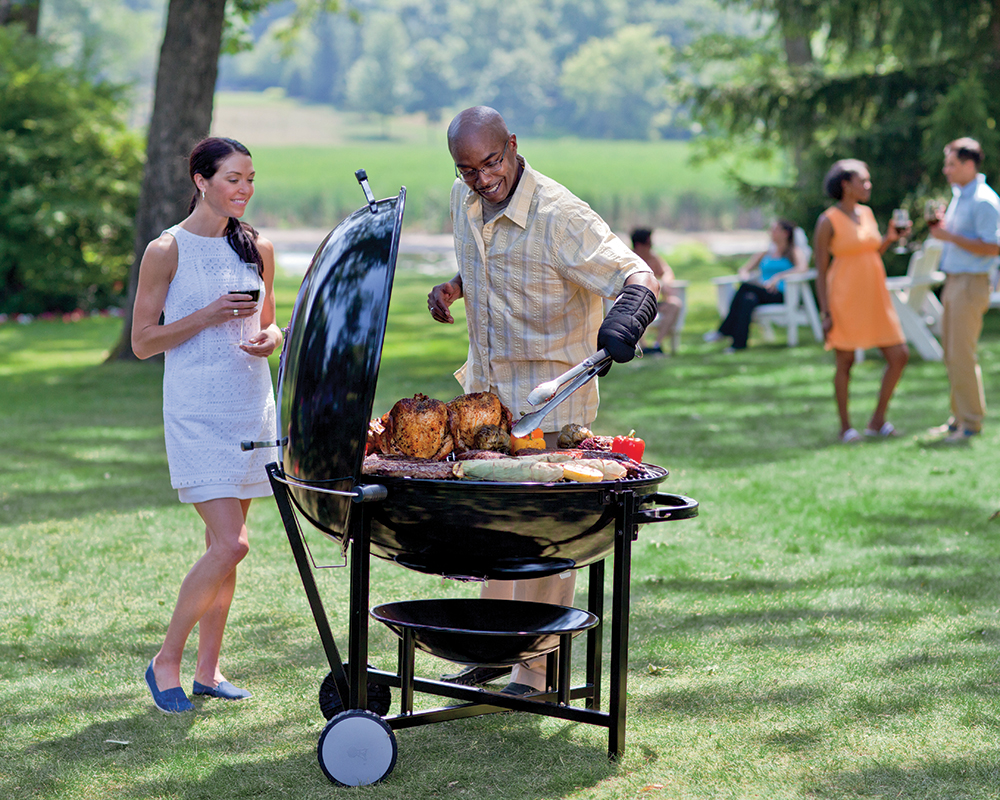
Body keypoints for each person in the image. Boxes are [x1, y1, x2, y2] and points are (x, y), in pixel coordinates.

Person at [427, 106, 658, 696]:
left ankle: (537, 671)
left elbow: (636, 274)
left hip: (555, 411)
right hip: (488, 412)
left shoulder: (560, 215)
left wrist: (627, 319)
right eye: (467, 169)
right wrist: (457, 285)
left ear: (512, 144)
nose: (482, 179)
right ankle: (494, 651)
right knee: (496, 536)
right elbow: (485, 259)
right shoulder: (464, 199)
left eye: (491, 162)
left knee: (545, 545)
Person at [132, 137, 283, 714]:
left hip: (250, 408)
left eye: (250, 179)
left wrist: (272, 338)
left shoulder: (259, 248)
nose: (244, 189)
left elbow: (270, 326)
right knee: (231, 544)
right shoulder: (166, 250)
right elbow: (143, 342)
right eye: (232, 179)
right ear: (201, 180)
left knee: (223, 548)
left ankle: (208, 669)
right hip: (197, 411)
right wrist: (206, 315)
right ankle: (165, 660)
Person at [813, 159, 910, 443]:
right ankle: (846, 428)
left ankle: (877, 421)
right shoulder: (827, 220)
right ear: (846, 184)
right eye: (863, 181)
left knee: (899, 355)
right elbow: (820, 270)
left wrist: (890, 238)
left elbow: (870, 250)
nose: (868, 185)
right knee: (845, 361)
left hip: (874, 296)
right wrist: (825, 311)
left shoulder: (866, 213)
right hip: (844, 297)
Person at [926, 138, 1000, 443]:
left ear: (969, 165)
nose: (946, 170)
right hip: (954, 281)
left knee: (962, 354)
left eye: (951, 164)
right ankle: (958, 418)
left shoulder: (984, 200)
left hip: (971, 283)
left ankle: (970, 423)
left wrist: (949, 236)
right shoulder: (961, 196)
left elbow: (994, 246)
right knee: (951, 354)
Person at [704, 219, 809, 351]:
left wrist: (779, 276)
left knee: (745, 287)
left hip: (781, 294)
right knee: (747, 299)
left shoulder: (793, 251)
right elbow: (744, 269)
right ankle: (738, 345)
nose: (771, 233)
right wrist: (745, 276)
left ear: (785, 233)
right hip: (761, 293)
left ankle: (723, 330)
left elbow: (803, 268)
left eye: (774, 230)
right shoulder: (766, 252)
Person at [631, 228, 682, 354]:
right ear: (639, 245)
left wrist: (664, 282)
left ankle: (657, 345)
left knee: (675, 304)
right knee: (634, 312)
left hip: (654, 303)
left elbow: (667, 272)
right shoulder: (629, 260)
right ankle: (643, 346)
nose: (651, 247)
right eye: (649, 244)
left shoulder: (654, 258)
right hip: (635, 304)